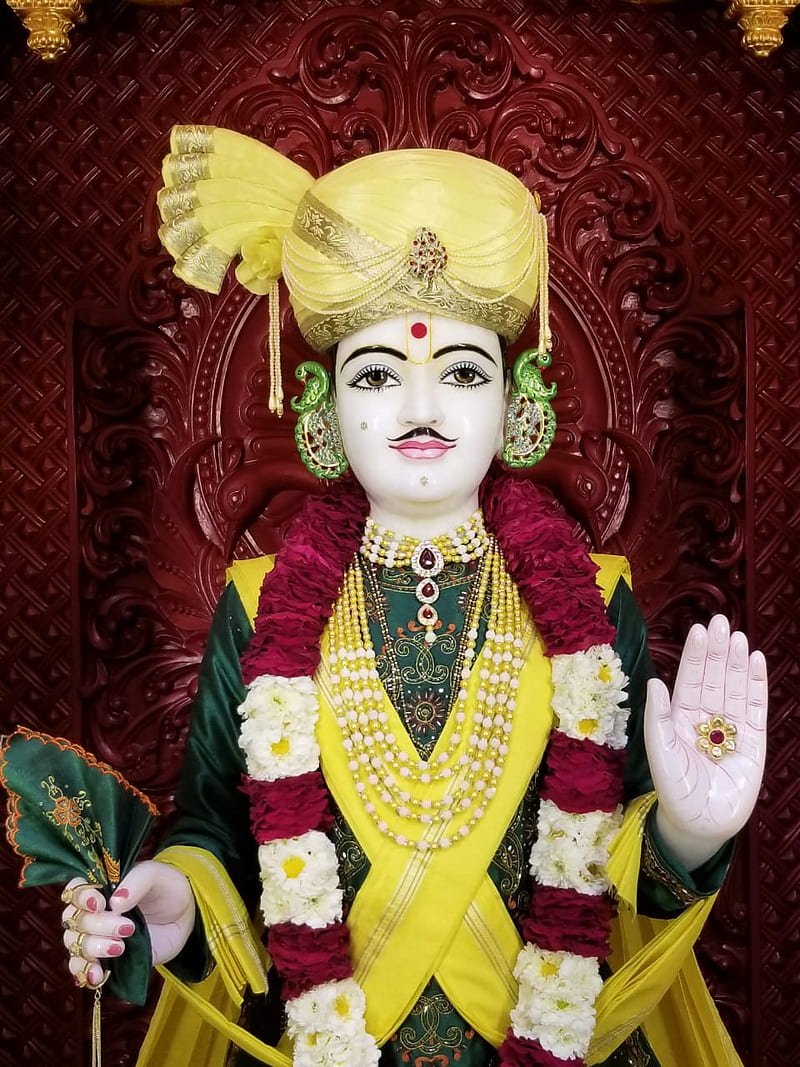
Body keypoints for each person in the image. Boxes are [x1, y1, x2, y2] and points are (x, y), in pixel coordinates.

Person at [58, 130, 767, 1067]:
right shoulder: (258, 603)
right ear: (324, 403)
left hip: (545, 1037)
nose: (420, 404)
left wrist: (688, 827)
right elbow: (216, 828)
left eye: (463, 372)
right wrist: (174, 898)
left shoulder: (596, 604)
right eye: (379, 374)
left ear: (514, 398)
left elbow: (608, 864)